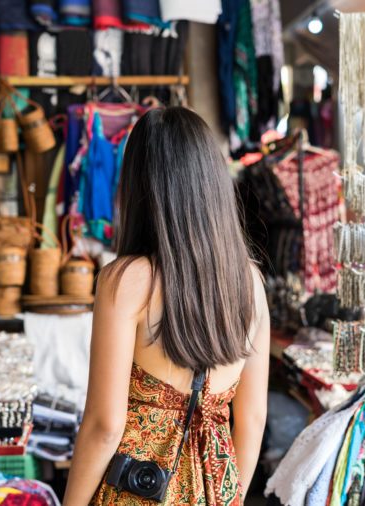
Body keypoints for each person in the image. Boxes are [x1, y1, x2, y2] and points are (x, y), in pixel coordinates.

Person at [63, 107, 270, 506]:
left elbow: (105, 425)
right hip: (218, 489)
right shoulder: (251, 283)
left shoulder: (125, 281)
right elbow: (253, 418)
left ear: (141, 185)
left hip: (138, 491)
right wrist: (230, 494)